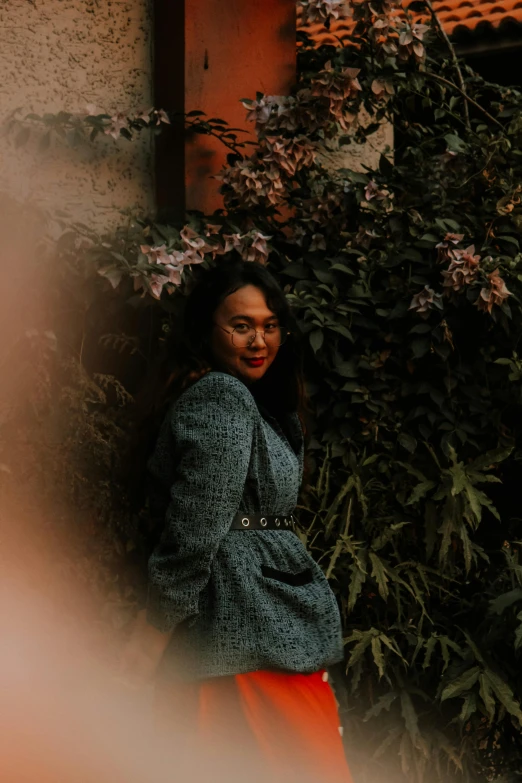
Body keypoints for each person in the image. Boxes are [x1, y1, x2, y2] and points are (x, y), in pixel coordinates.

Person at [121, 260, 353, 783]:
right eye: (241, 324)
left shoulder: (252, 402)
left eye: (270, 325)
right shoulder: (220, 396)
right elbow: (195, 530)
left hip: (261, 626)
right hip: (239, 625)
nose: (259, 340)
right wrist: (151, 633)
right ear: (207, 327)